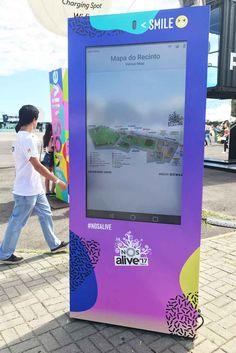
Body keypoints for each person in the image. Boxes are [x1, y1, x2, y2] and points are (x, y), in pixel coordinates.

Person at [0, 105, 68, 264]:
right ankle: (4, 254)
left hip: (34, 188)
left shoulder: (20, 136)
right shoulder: (26, 138)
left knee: (46, 214)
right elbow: (37, 165)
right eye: (37, 119)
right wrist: (57, 181)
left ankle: (54, 244)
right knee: (17, 221)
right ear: (34, 120)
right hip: (26, 190)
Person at [42, 123, 55, 195]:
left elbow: (46, 148)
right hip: (52, 157)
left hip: (46, 156)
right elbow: (51, 149)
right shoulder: (52, 137)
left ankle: (47, 191)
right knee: (55, 175)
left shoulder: (44, 136)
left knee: (47, 176)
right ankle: (52, 190)